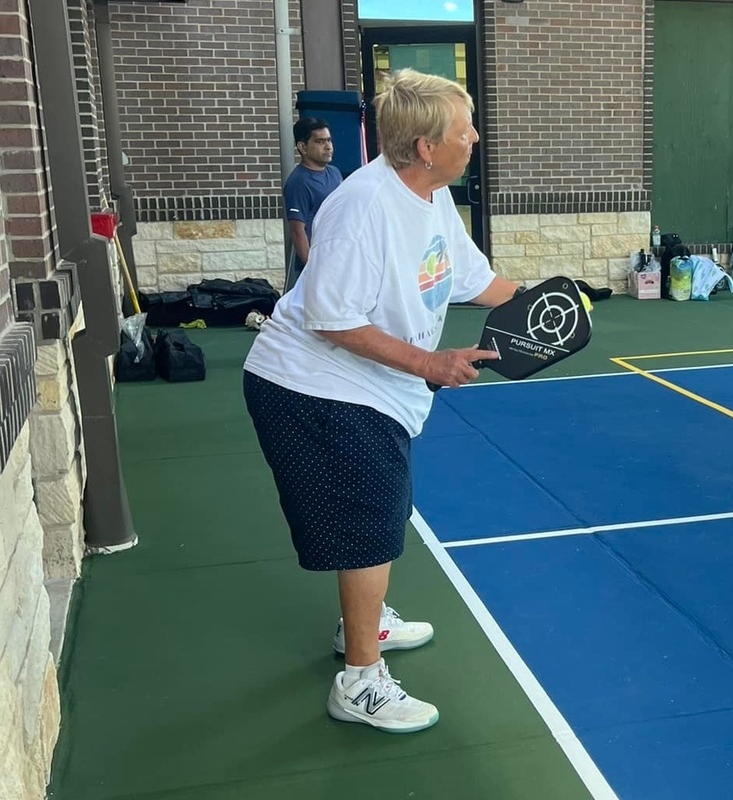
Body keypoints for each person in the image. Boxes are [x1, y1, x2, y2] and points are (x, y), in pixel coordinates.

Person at [242, 68, 524, 733]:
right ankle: (360, 682)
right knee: (370, 521)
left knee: (377, 515)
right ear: (427, 146)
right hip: (313, 388)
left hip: (368, 388)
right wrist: (432, 362)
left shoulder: (435, 197)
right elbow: (332, 317)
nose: (475, 138)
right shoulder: (363, 205)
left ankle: (362, 626)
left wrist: (541, 303)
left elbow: (472, 278)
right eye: (465, 129)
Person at [283, 117, 343, 290]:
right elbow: (297, 231)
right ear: (302, 147)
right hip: (317, 267)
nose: (328, 146)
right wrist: (313, 269)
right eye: (320, 141)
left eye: (329, 140)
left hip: (339, 260)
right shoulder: (298, 182)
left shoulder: (335, 173)